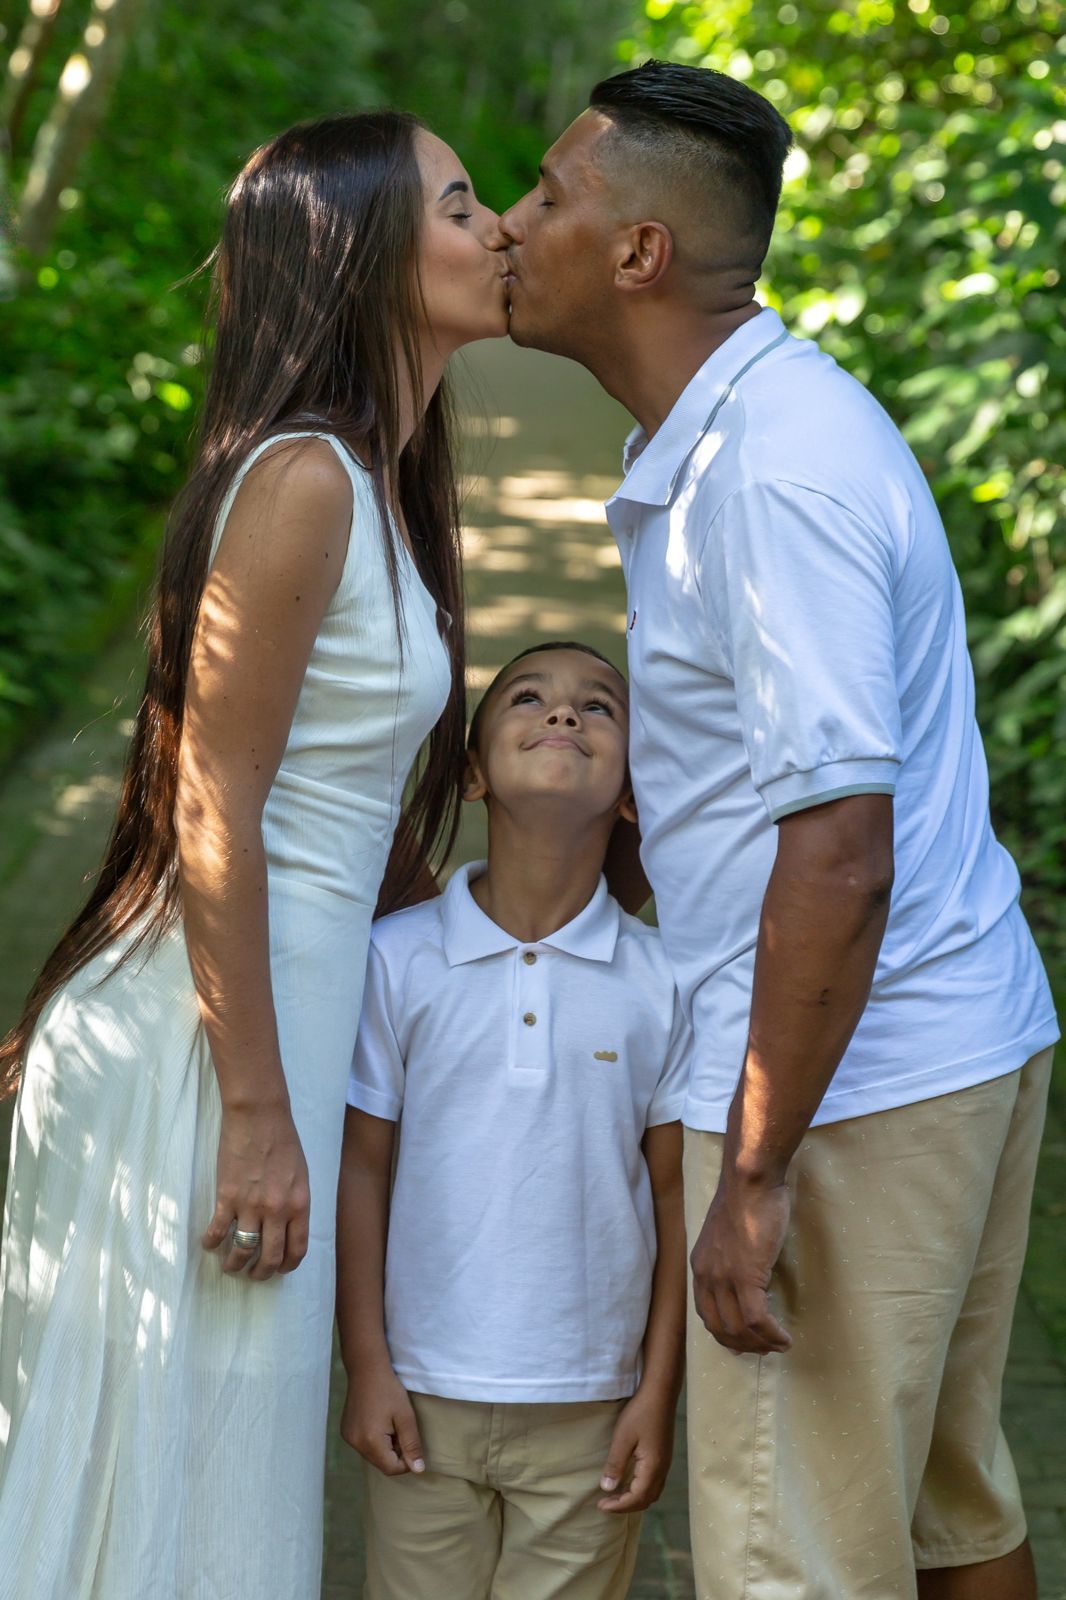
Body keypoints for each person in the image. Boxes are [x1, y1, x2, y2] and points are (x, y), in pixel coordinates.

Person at [495, 60, 1060, 1600]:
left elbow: (837, 849)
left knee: (789, 1557)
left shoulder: (766, 474)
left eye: (548, 195)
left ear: (637, 254)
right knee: (949, 1512)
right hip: (941, 1044)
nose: (511, 222)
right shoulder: (734, 431)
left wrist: (750, 1174)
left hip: (856, 1091)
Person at [0, 111, 509, 1598]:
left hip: (254, 1036)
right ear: (359, 254)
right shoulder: (305, 482)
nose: (492, 231)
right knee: (166, 1504)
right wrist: (259, 1113)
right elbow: (214, 801)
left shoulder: (379, 484)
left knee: (209, 1502)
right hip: (198, 1058)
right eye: (461, 205)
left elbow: (331, 811)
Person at [336, 641, 689, 1600]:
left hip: (592, 1406)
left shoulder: (663, 980)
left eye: (600, 707)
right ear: (473, 774)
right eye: (528, 699)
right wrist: (364, 1363)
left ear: (632, 793)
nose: (565, 716)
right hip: (422, 1395)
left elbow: (674, 1197)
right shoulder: (394, 961)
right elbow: (361, 1168)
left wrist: (659, 1395)